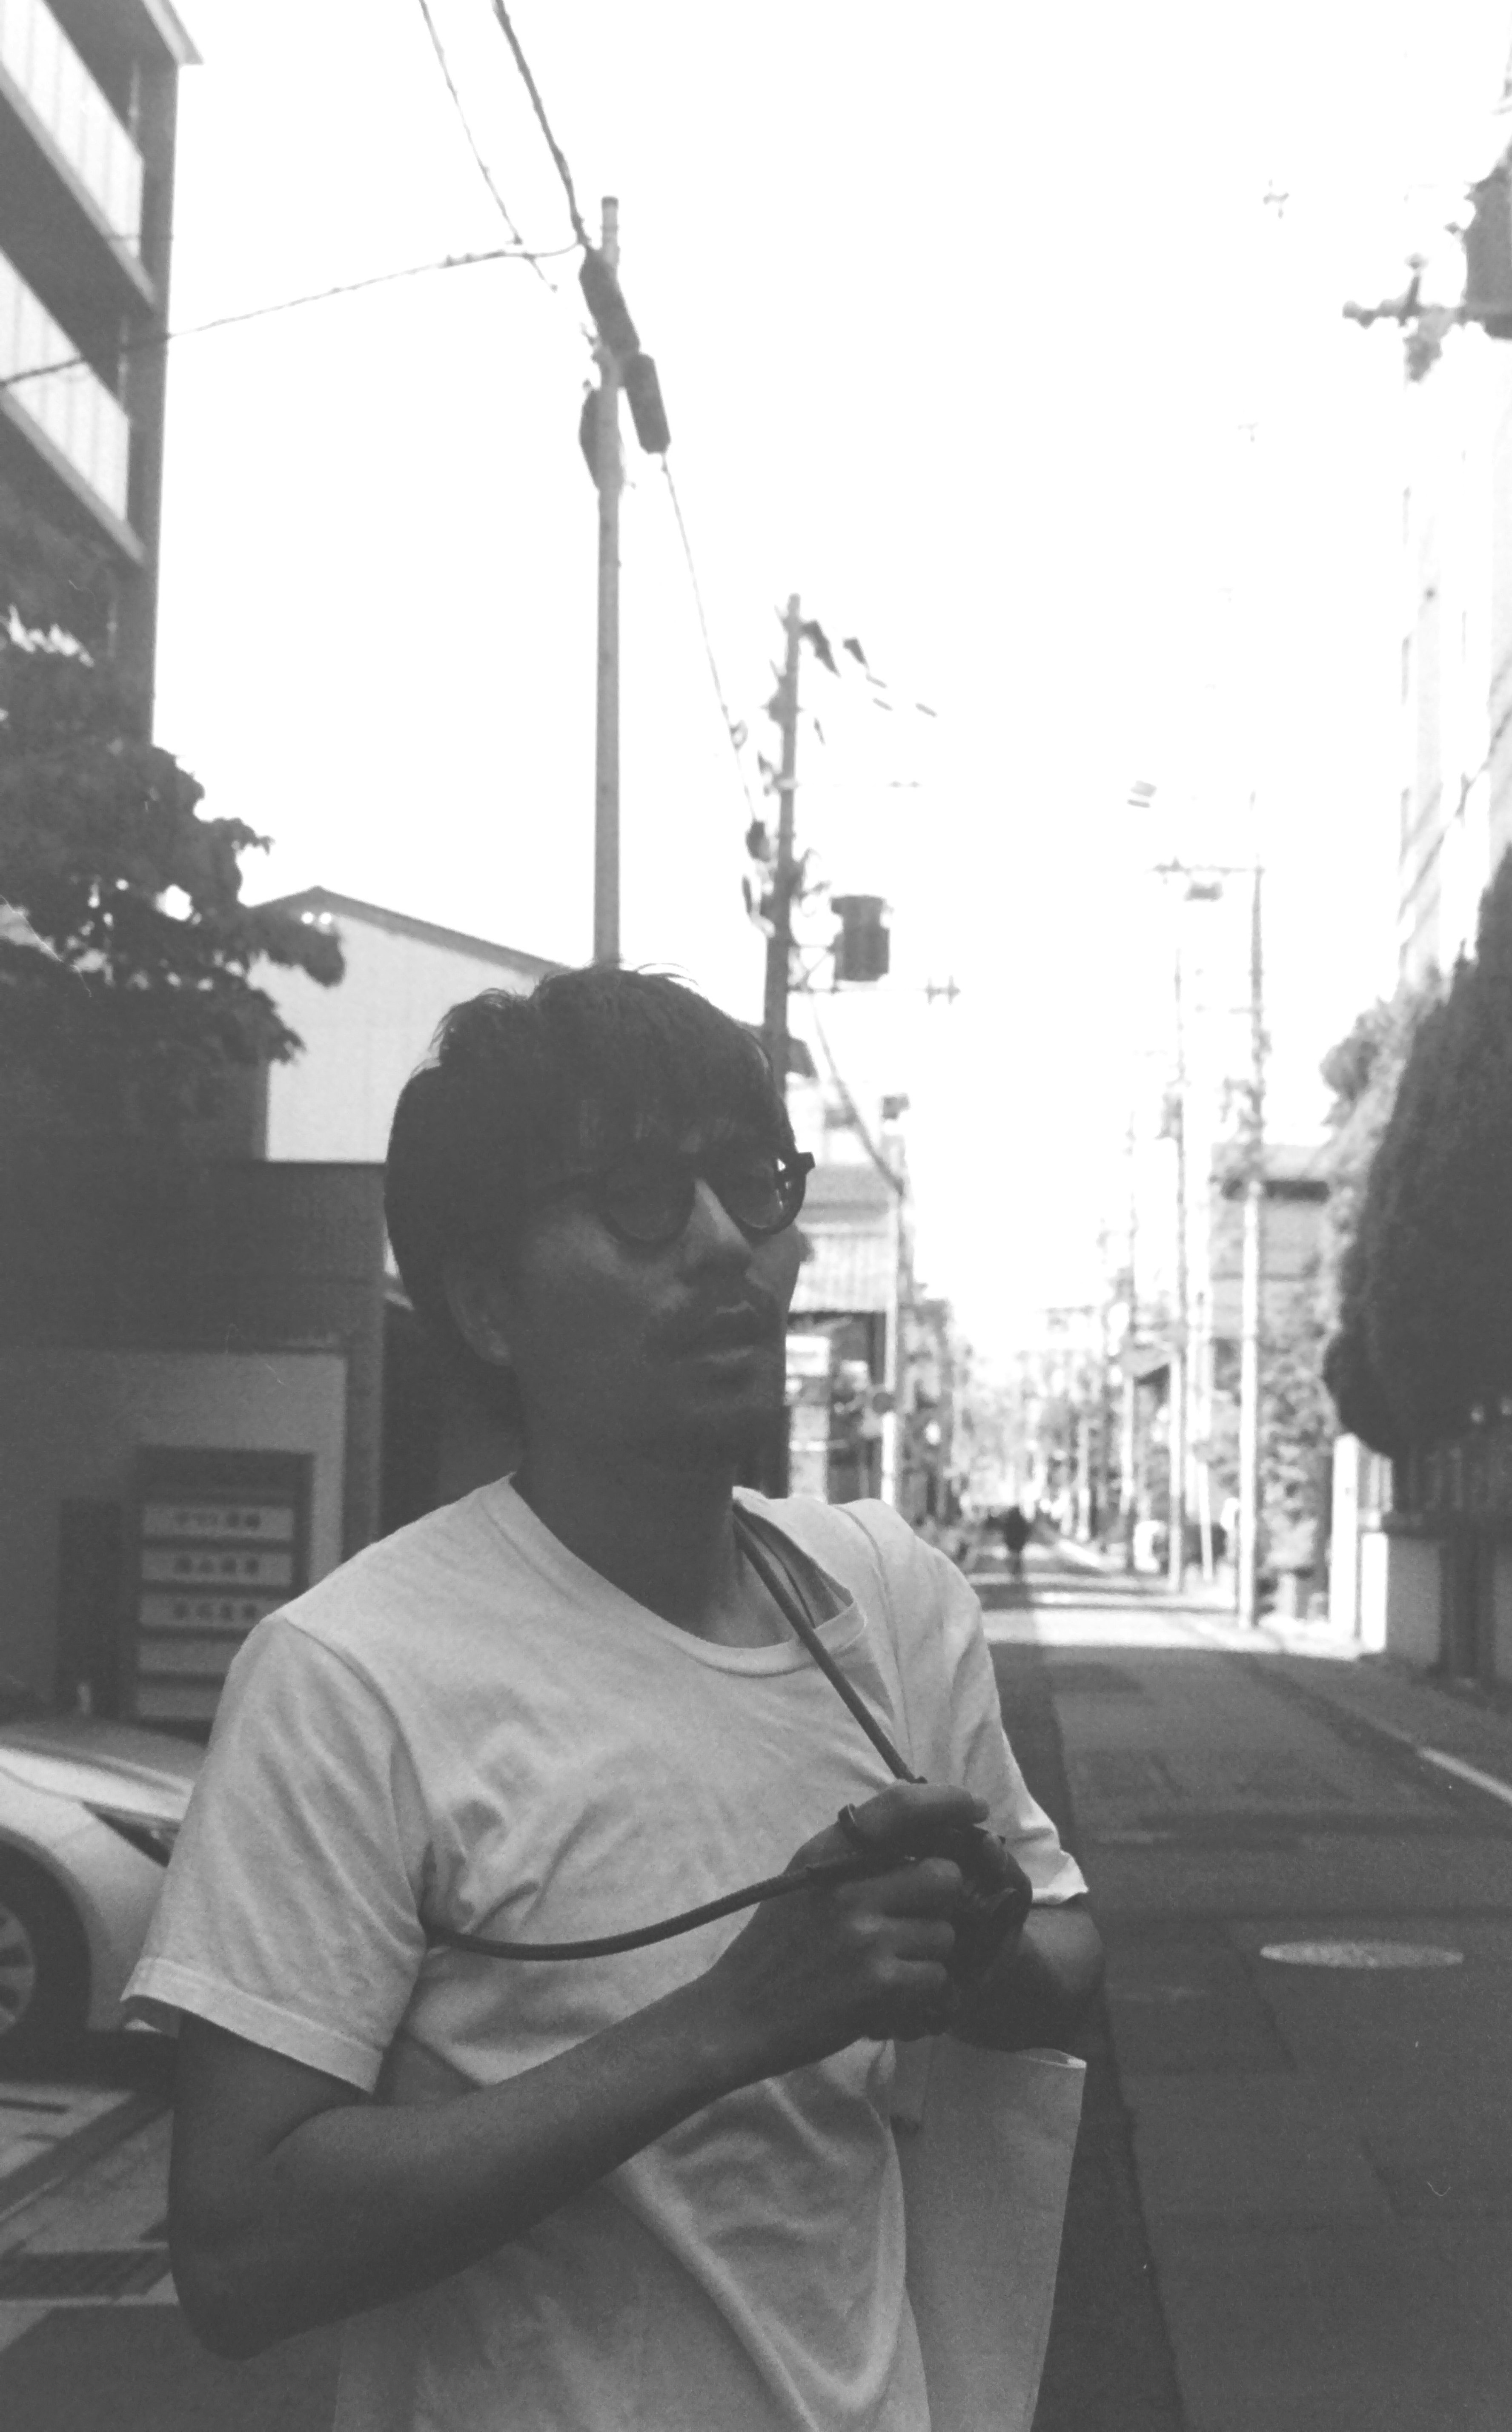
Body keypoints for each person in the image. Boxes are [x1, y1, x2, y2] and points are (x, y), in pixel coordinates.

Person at [128, 966, 1100, 2432]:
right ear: (488, 1308)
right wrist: (729, 2023)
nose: (727, 1247)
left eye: (749, 1183)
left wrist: (972, 1941)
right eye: (641, 1200)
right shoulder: (352, 1677)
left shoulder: (886, 1597)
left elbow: (1067, 1957)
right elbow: (239, 2245)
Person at [1000, 1502, 1032, 1577]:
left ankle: (1014, 1570)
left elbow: (1005, 1530)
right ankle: (1018, 1569)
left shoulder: (1009, 1520)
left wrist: (1006, 1539)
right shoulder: (1022, 1519)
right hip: (1019, 1542)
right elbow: (1027, 1530)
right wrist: (1025, 1539)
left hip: (1011, 1541)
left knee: (1013, 1555)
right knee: (1018, 1555)